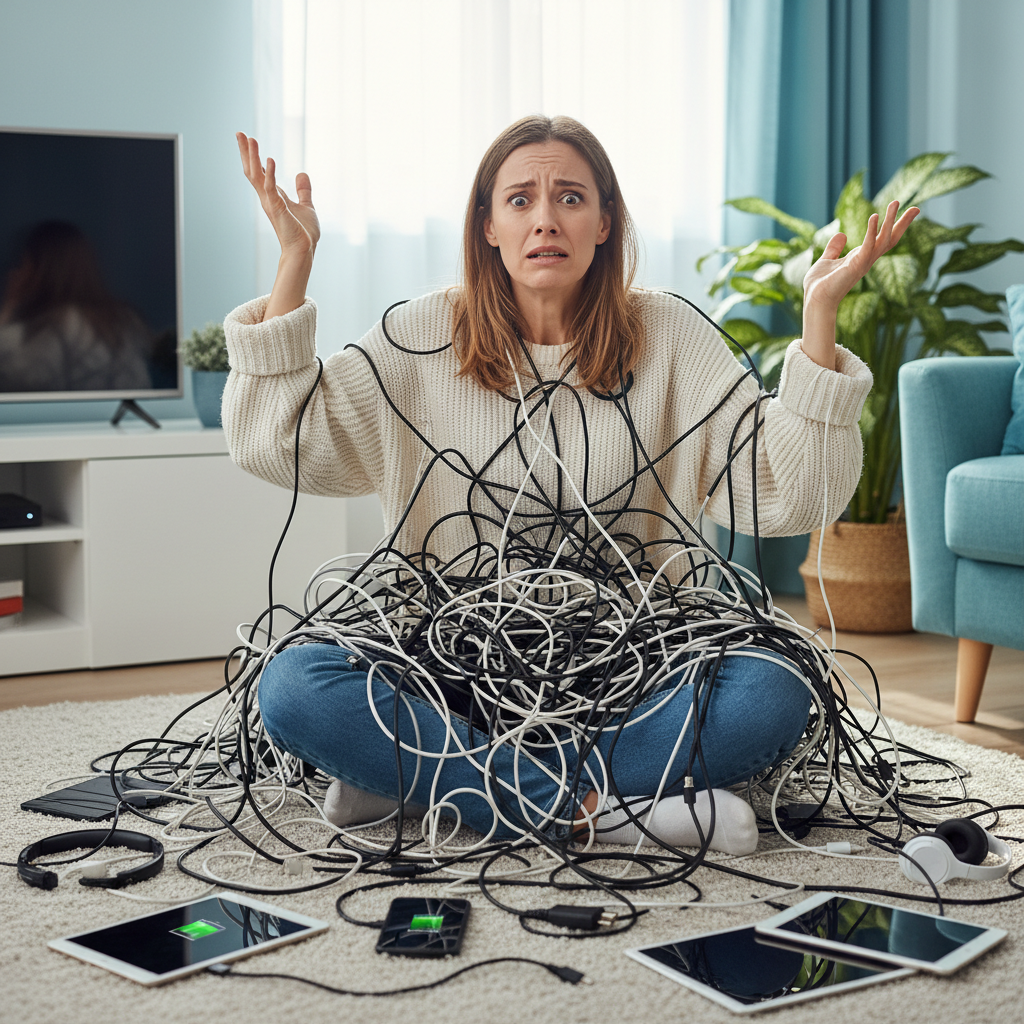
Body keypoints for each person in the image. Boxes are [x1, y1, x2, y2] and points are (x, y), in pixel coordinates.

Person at [224, 116, 917, 849]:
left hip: (633, 672)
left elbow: (794, 492)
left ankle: (426, 775)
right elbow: (277, 440)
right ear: (487, 225)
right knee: (294, 684)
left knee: (773, 689)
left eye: (571, 198)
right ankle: (609, 812)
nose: (546, 219)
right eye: (520, 200)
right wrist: (293, 261)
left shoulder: (673, 338)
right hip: (450, 670)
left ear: (605, 222)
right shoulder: (421, 336)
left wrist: (819, 319)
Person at [0, 221, 153, 393]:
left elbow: (13, 384)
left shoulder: (50, 327)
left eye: (22, 264)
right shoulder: (124, 321)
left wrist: (9, 306)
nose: (16, 272)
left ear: (38, 268)